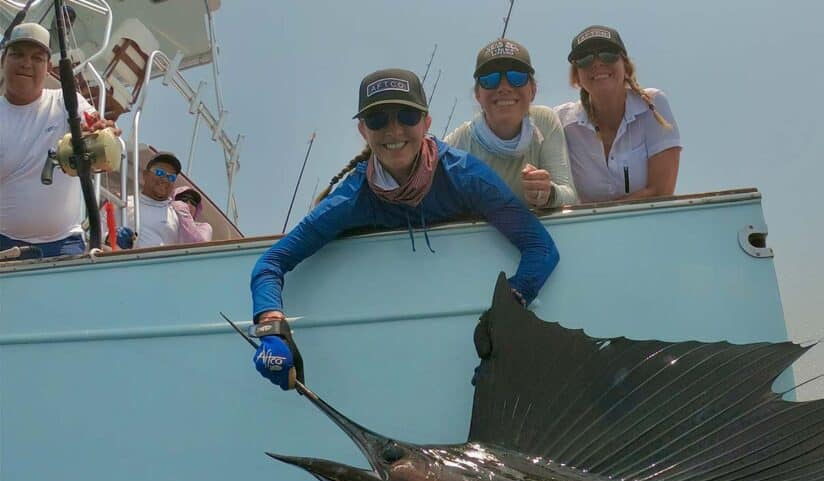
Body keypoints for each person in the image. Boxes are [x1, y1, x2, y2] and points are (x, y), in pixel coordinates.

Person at [250, 68, 559, 390]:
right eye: (377, 120)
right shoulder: (351, 197)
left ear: (426, 122)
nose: (394, 130)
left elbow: (541, 248)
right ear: (362, 131)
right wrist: (270, 328)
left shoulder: (466, 175)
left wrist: (507, 309)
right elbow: (271, 263)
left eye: (407, 116)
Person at [0, 22, 119, 258]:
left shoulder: (67, 102)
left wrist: (102, 130)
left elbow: (92, 125)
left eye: (36, 58)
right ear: (3, 61)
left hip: (65, 244)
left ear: (49, 67)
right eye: (18, 55)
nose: (26, 63)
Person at [445, 38, 577, 209]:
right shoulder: (458, 143)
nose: (504, 87)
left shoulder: (545, 121)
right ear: (478, 95)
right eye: (490, 79)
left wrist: (549, 193)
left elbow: (569, 196)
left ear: (533, 91)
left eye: (516, 77)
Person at [555, 25, 681, 203]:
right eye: (584, 58)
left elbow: (661, 191)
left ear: (626, 67)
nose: (597, 63)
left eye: (608, 53)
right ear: (576, 77)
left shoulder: (653, 104)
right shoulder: (559, 121)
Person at [117, 152, 210, 248]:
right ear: (145, 175)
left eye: (171, 177)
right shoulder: (122, 203)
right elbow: (101, 232)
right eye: (160, 172)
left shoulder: (177, 215)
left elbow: (195, 247)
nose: (165, 180)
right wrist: (108, 237)